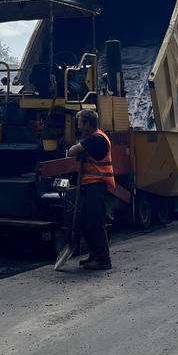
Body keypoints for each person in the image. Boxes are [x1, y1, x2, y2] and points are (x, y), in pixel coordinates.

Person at [65, 108, 114, 270]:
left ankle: (103, 259)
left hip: (97, 185)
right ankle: (95, 255)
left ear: (87, 124)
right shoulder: (92, 138)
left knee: (95, 222)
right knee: (86, 222)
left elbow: (73, 151)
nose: (78, 126)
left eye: (79, 123)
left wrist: (73, 149)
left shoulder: (97, 138)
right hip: (90, 185)